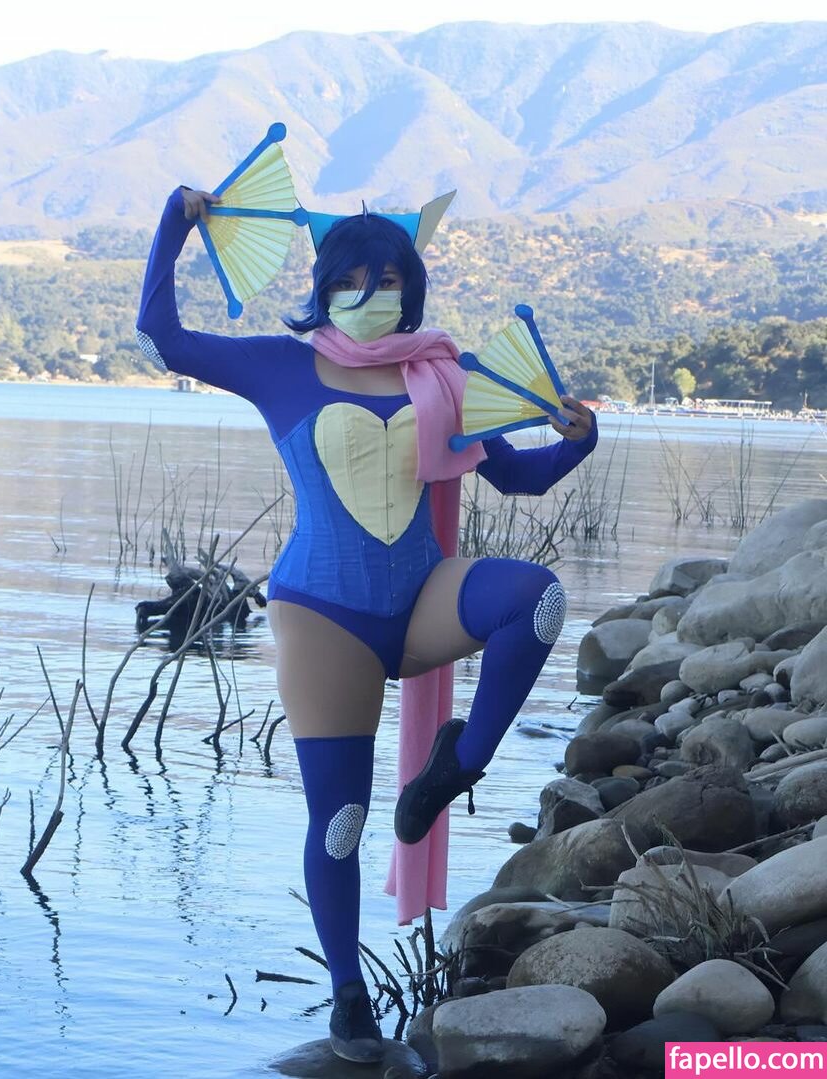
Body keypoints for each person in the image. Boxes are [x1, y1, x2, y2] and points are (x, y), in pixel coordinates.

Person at [135, 184, 597, 1063]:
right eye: (351, 277)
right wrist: (174, 224)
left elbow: (517, 479)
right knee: (341, 820)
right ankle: (349, 996)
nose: (370, 291)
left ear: (410, 286)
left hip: (420, 598)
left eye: (387, 277)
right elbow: (162, 336)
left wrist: (578, 439)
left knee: (536, 599)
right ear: (324, 285)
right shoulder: (281, 366)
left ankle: (454, 765)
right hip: (325, 619)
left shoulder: (444, 373)